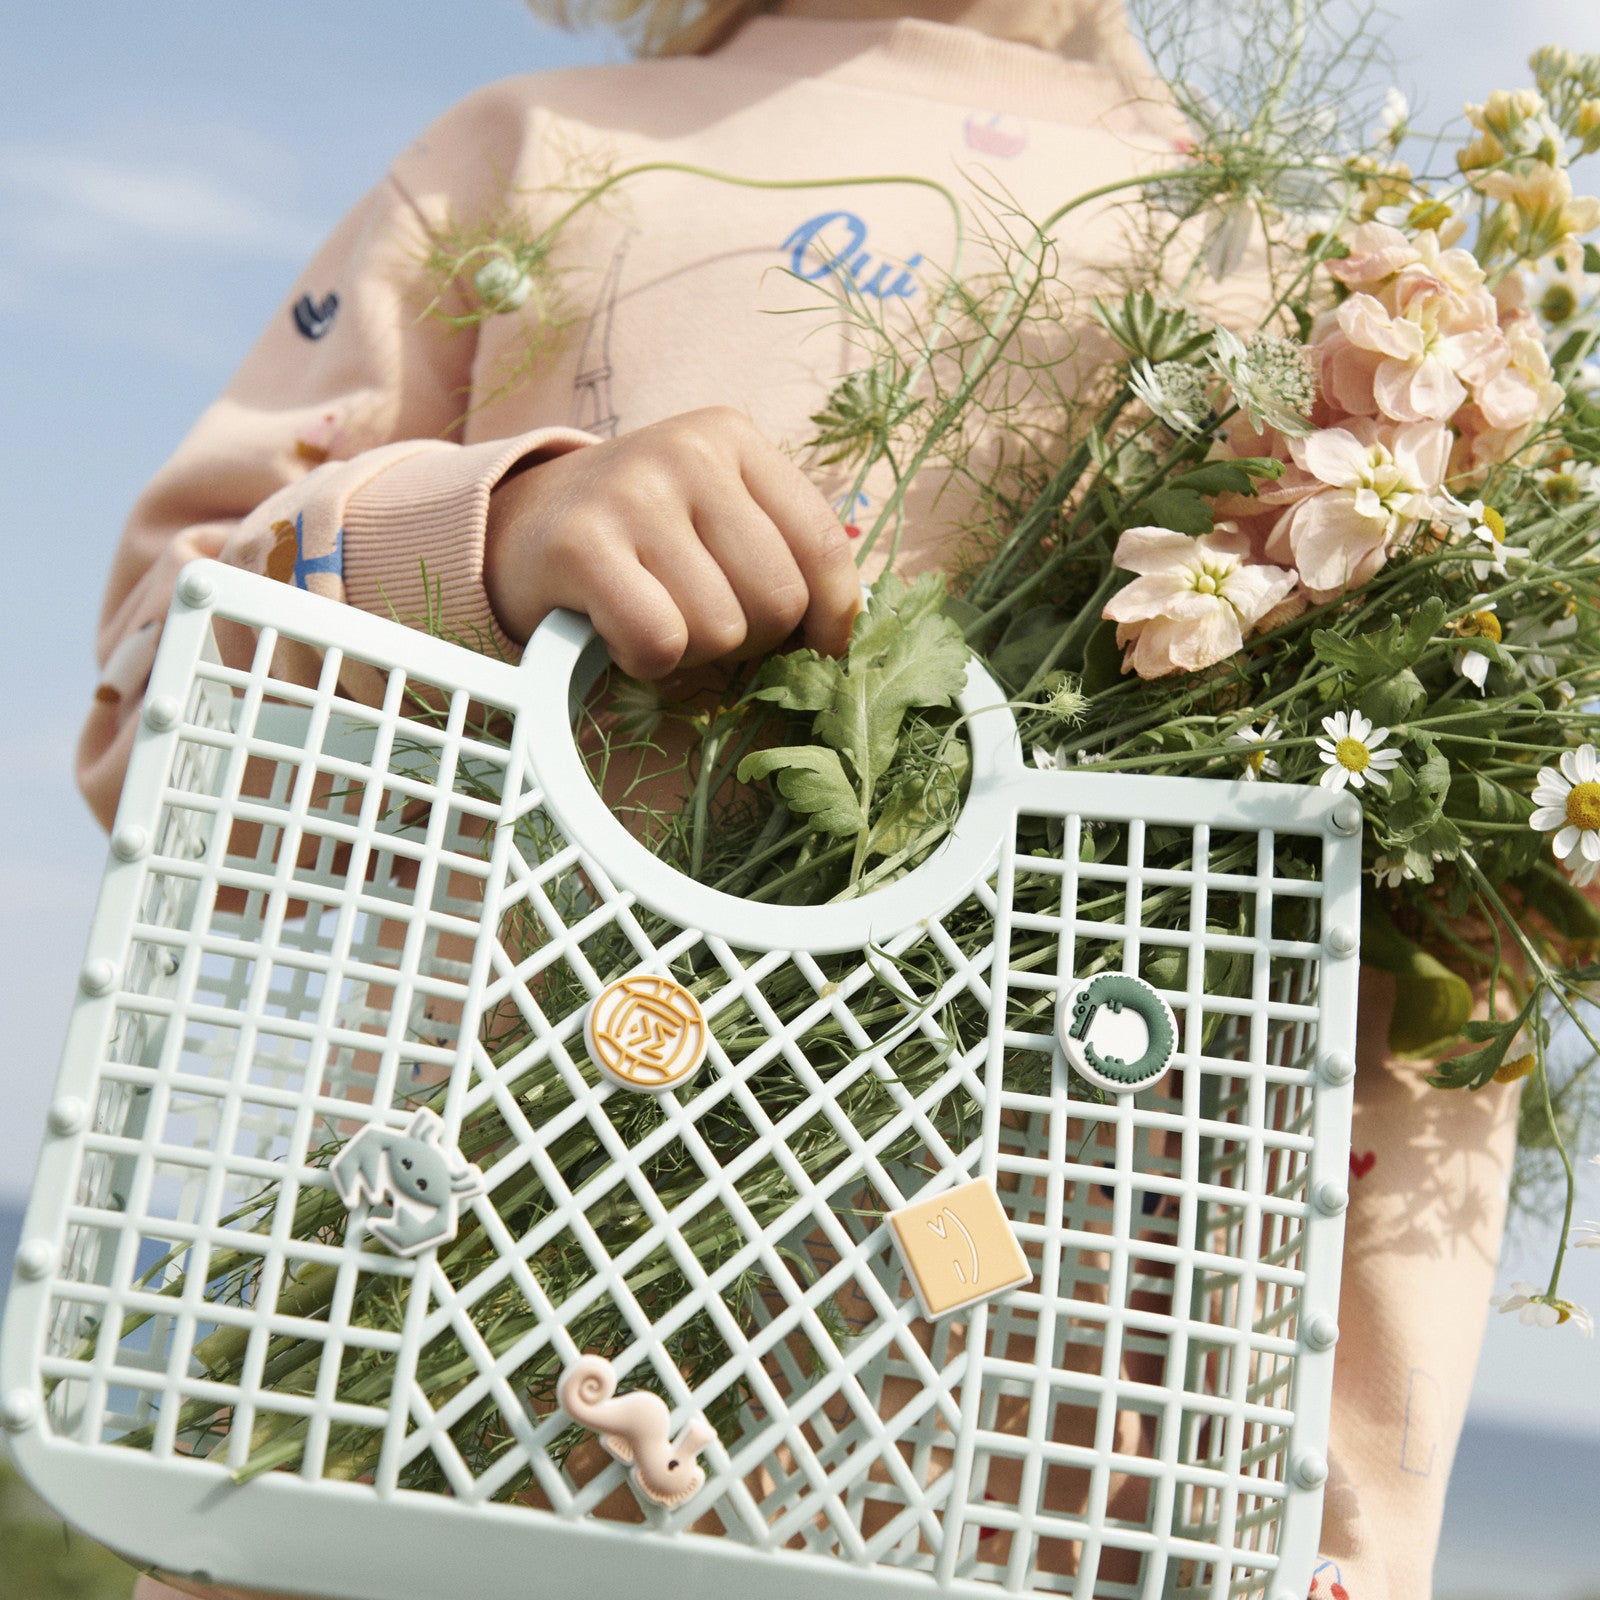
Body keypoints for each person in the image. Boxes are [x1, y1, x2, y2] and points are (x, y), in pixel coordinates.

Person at [80, 4, 1518, 1598]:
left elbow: (1412, 1010)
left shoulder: (1345, 293)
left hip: (1027, 1485)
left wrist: (1335, 1557)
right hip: (440, 1422)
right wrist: (487, 539)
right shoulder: (541, 159)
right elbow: (151, 722)